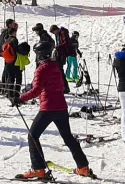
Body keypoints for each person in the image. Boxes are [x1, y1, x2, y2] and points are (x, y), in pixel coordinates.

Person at [15, 38, 95, 180]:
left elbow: (36, 90)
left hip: (48, 108)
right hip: (61, 107)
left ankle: (38, 169)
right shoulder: (56, 66)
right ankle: (82, 167)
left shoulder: (41, 69)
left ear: (39, 55)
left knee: (33, 136)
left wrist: (20, 98)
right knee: (68, 137)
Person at [1, 23, 22, 101]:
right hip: (15, 62)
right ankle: (16, 94)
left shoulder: (6, 40)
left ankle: (9, 94)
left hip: (7, 62)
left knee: (10, 78)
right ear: (14, 32)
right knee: (18, 78)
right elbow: (17, 50)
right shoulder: (14, 39)